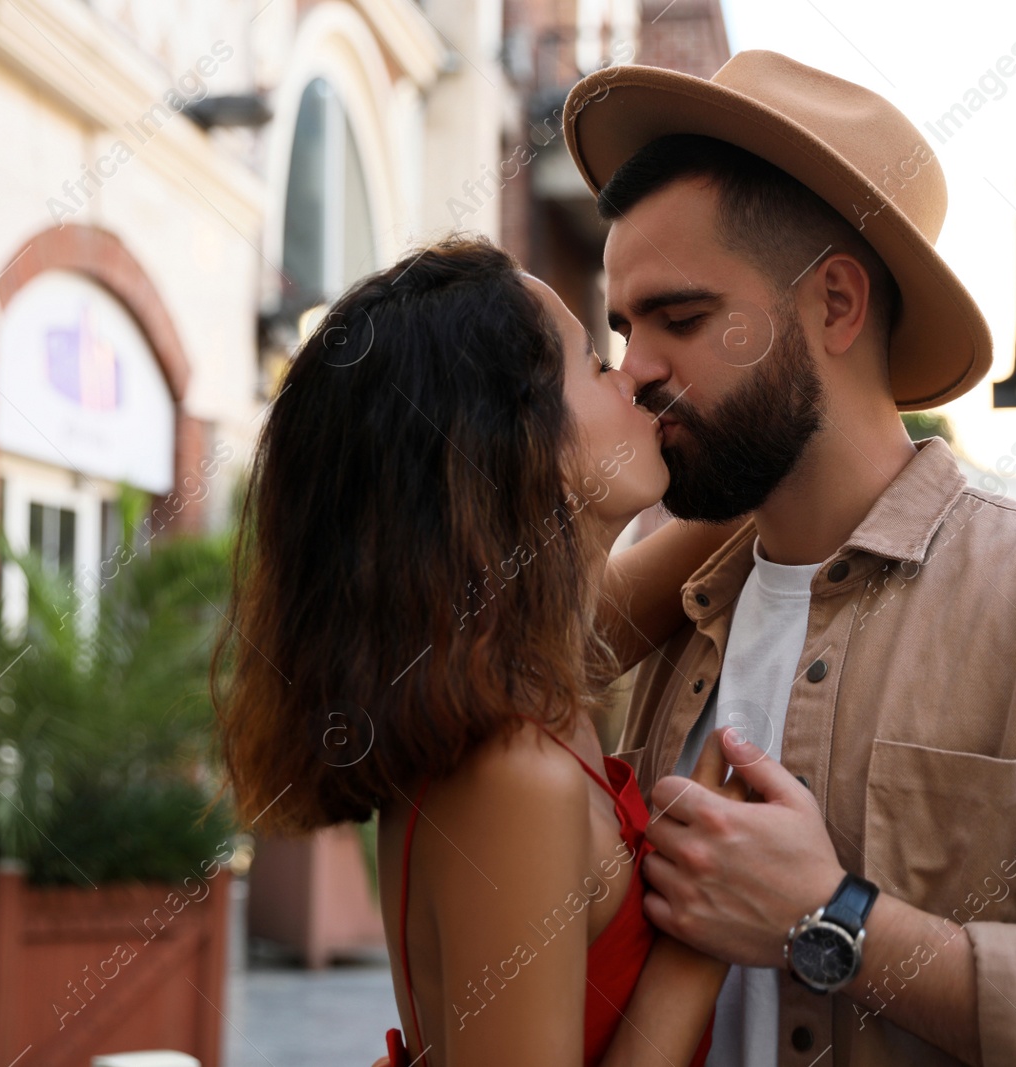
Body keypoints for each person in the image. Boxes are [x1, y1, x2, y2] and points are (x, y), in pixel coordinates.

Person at [560, 51, 1016, 1065]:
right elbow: (465, 667)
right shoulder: (679, 610)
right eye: (625, 326)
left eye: (679, 318)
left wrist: (837, 920)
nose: (634, 369)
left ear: (835, 306)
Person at [215, 237, 751, 1066]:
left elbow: (723, 533)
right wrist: (701, 944)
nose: (634, 375)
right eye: (592, 362)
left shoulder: (508, 682)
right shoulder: (513, 771)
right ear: (512, 443)